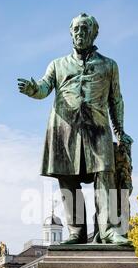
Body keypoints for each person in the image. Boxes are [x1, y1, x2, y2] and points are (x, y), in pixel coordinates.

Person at [18, 13, 132, 245]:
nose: (80, 33)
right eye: (76, 29)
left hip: (98, 128)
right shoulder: (57, 65)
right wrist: (32, 89)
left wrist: (120, 131)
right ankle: (76, 232)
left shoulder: (109, 65)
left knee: (105, 175)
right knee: (68, 181)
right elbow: (43, 87)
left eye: (85, 29)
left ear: (94, 33)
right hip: (64, 129)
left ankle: (109, 229)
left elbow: (116, 100)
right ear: (71, 33)